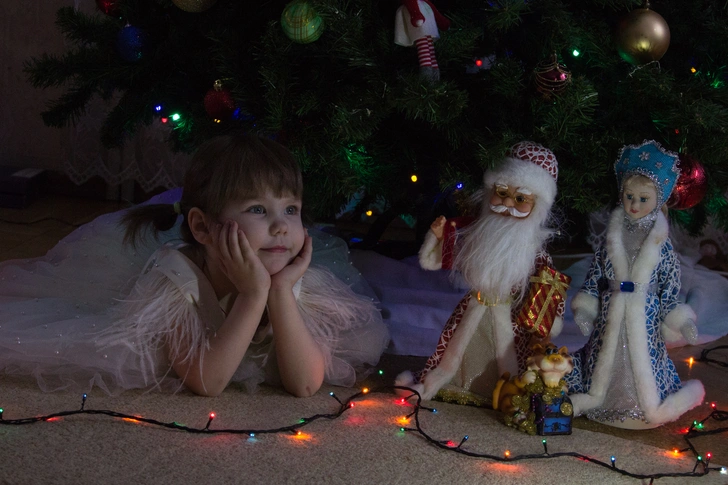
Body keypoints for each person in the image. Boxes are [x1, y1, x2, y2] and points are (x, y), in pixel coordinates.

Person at [0, 133, 389, 397]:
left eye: (291, 209)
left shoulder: (289, 276)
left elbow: (306, 386)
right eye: (257, 209)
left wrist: (281, 291)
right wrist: (254, 295)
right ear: (203, 227)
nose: (281, 227)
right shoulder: (176, 278)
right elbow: (208, 381)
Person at [396, 141, 569, 406]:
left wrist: (544, 327)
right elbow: (434, 261)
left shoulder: (535, 253)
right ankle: (453, 383)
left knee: (510, 362)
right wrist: (438, 237)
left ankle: (504, 393)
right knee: (455, 352)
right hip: (474, 308)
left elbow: (549, 289)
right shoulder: (478, 234)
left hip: (510, 317)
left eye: (521, 198)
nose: (508, 202)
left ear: (537, 206)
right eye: (501, 192)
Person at [565, 140, 704, 429]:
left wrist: (681, 319)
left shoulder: (661, 246)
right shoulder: (611, 240)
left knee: (642, 359)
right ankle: (601, 400)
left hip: (646, 313)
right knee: (606, 353)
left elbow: (670, 288)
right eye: (629, 196)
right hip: (611, 309)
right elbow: (595, 277)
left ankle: (639, 406)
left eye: (643, 198)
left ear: (659, 199)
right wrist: (586, 309)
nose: (634, 204)